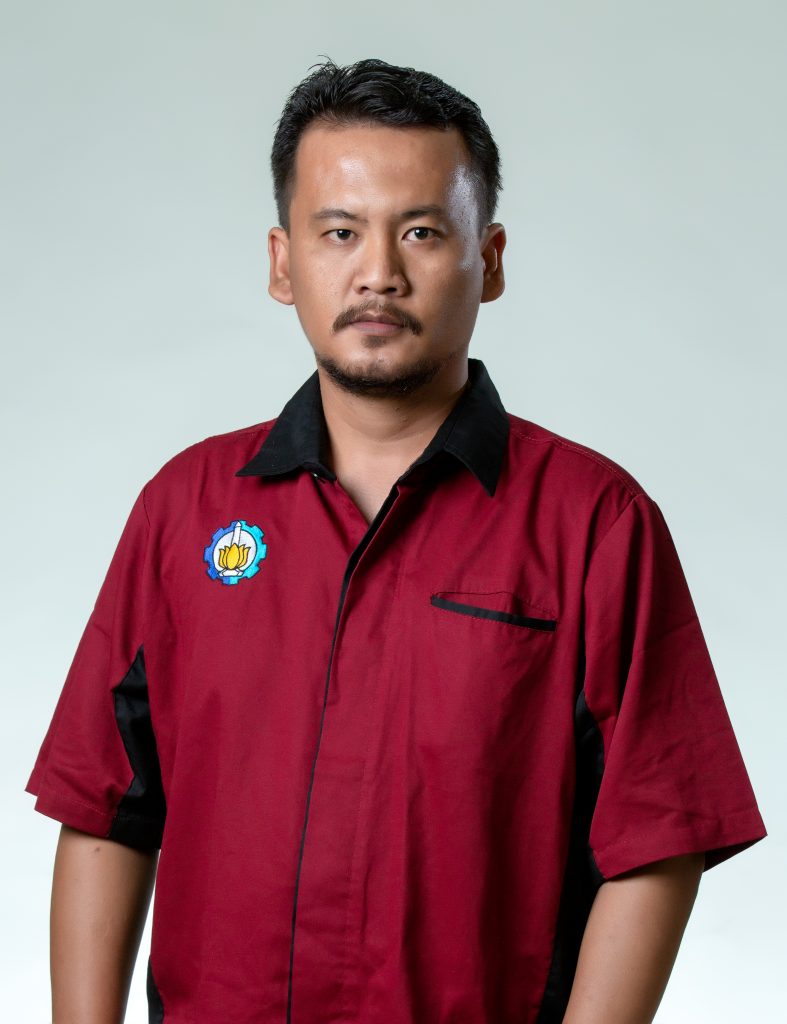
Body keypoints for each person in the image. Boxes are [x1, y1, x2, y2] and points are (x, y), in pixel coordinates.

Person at [26, 57, 766, 1024]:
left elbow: (658, 837)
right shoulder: (185, 509)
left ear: (488, 260)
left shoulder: (594, 522)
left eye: (421, 231)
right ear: (282, 262)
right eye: (339, 232)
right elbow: (105, 809)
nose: (378, 271)